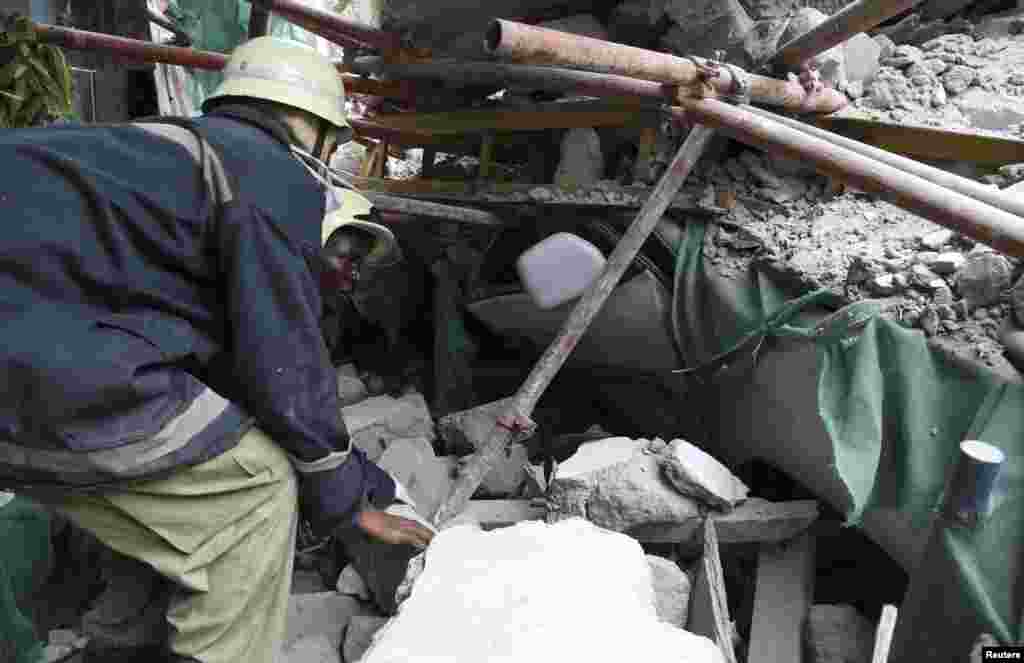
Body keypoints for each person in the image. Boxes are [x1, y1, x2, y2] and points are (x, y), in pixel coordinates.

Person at [0, 36, 434, 663]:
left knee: (178, 466)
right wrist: (345, 499)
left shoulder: (152, 153)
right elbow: (279, 365)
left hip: (32, 344)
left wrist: (356, 478)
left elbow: (235, 376)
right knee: (252, 491)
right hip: (35, 358)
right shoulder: (264, 168)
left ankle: (123, 640)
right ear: (317, 133)